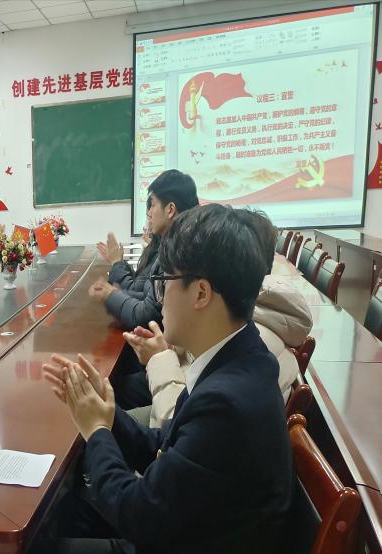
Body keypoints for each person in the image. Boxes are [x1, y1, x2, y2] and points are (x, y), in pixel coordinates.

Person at [41, 204, 292, 554]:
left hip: (172, 536)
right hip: (187, 524)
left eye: (165, 283)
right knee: (65, 512)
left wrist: (96, 430)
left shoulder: (227, 403)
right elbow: (168, 442)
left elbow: (137, 515)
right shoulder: (240, 356)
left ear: (201, 293)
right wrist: (109, 415)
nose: (159, 300)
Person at [90, 169, 199, 329]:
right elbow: (148, 295)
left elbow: (147, 315)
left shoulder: (178, 250)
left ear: (170, 210)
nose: (149, 213)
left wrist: (111, 293)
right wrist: (112, 293)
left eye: (152, 205)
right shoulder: (172, 243)